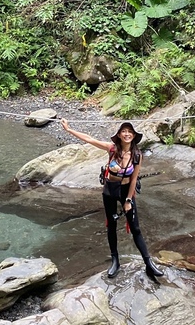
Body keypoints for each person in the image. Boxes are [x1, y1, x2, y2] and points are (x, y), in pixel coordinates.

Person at [60, 119, 164, 281]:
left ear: (134, 135)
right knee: (111, 225)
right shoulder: (112, 149)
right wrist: (68, 130)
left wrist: (128, 200)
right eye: (124, 131)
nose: (127, 134)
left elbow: (134, 179)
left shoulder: (137, 155)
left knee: (135, 228)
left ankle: (148, 263)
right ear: (119, 135)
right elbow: (90, 139)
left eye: (130, 131)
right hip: (110, 190)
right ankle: (115, 261)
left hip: (126, 191)